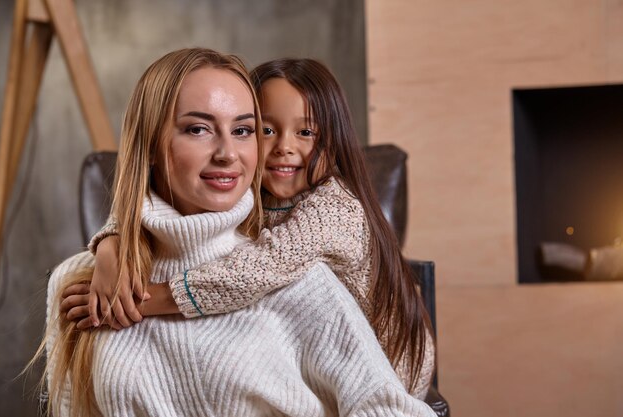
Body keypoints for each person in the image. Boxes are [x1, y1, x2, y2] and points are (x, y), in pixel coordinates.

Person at [42, 47, 436, 417]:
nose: (229, 153)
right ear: (148, 145)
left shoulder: (323, 231)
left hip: (392, 362)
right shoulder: (79, 279)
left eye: (242, 130)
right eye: (264, 130)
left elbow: (258, 269)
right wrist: (112, 244)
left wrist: (143, 300)